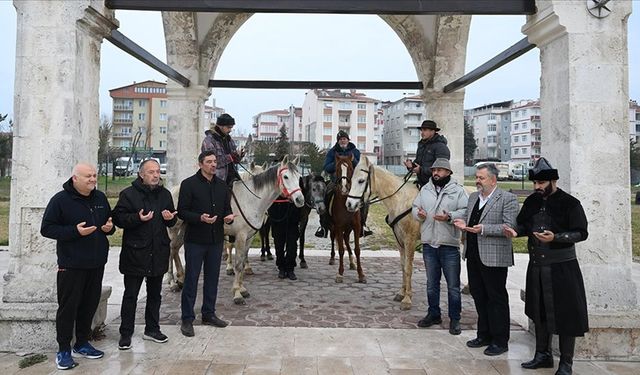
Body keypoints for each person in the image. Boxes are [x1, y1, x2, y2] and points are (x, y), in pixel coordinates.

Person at [504, 157, 588, 375]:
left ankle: (566, 363)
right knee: (539, 311)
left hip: (562, 269)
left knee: (566, 314)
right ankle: (542, 355)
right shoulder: (532, 201)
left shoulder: (570, 203)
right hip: (537, 266)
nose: (537, 187)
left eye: (541, 184)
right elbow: (523, 225)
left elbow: (581, 232)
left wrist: (557, 237)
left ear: (552, 181)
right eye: (535, 183)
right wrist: (516, 232)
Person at [41, 163, 114, 370]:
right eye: (88, 176)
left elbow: (108, 224)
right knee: (68, 307)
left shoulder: (99, 198)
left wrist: (109, 228)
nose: (93, 179)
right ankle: (63, 349)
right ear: (75, 178)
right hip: (71, 264)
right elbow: (46, 228)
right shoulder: (60, 200)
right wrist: (75, 231)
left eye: (94, 175)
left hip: (96, 262)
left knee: (89, 304)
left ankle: (82, 343)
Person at [112, 159, 178, 350]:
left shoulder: (165, 195)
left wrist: (170, 218)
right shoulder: (128, 194)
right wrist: (136, 218)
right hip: (135, 253)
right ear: (141, 174)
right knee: (131, 295)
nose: (156, 175)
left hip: (158, 251)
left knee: (155, 294)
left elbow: (171, 222)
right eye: (151, 172)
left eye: (158, 172)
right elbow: (118, 218)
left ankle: (152, 329)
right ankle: (126, 333)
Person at [453, 163, 518, 356]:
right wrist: (460, 222)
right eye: (477, 177)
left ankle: (500, 340)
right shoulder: (473, 197)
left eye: (481, 178)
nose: (477, 181)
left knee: (496, 298)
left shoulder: (508, 198)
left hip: (494, 257)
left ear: (493, 179)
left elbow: (508, 226)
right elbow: (467, 216)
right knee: (479, 296)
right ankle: (484, 334)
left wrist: (483, 229)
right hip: (473, 255)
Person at [178, 150, 234, 337]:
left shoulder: (222, 186)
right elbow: (182, 212)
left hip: (216, 240)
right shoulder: (188, 185)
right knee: (191, 279)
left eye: (214, 161)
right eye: (209, 161)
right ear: (200, 164)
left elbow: (227, 209)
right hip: (195, 240)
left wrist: (228, 218)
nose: (213, 164)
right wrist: (199, 218)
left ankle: (208, 314)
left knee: (212, 279)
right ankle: (187, 319)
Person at [411, 158, 468, 335]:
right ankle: (433, 313)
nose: (436, 173)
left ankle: (455, 318)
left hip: (448, 244)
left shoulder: (457, 191)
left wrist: (450, 216)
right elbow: (415, 207)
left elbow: (465, 210)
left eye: (440, 170)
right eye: (434, 170)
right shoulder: (425, 189)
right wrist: (419, 214)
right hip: (429, 243)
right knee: (431, 284)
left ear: (448, 173)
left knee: (452, 285)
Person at [316, 130, 372, 237]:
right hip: (335, 181)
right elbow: (326, 167)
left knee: (365, 199)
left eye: (344, 139)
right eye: (341, 139)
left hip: (352, 182)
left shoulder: (355, 151)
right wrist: (337, 164)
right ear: (338, 141)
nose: (343, 141)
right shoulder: (332, 152)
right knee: (325, 195)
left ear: (348, 140)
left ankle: (363, 224)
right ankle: (323, 226)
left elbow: (360, 166)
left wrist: (353, 160)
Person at [403, 120, 450, 188]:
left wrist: (421, 170)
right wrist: (411, 166)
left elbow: (442, 169)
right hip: (422, 183)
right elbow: (418, 162)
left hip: (437, 185)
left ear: (433, 131)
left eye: (425, 130)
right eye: (421, 130)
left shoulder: (441, 147)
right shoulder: (421, 145)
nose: (422, 133)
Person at [204, 113, 245, 185]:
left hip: (232, 180)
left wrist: (239, 156)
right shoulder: (209, 141)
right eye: (228, 127)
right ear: (220, 126)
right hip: (216, 182)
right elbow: (212, 164)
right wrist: (230, 157)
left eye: (231, 128)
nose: (230, 130)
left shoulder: (229, 140)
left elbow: (234, 161)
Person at [268, 193, 301, 280]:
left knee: (292, 245)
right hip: (277, 213)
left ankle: (290, 268)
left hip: (292, 215)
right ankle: (281, 267)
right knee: (279, 244)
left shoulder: (297, 180)